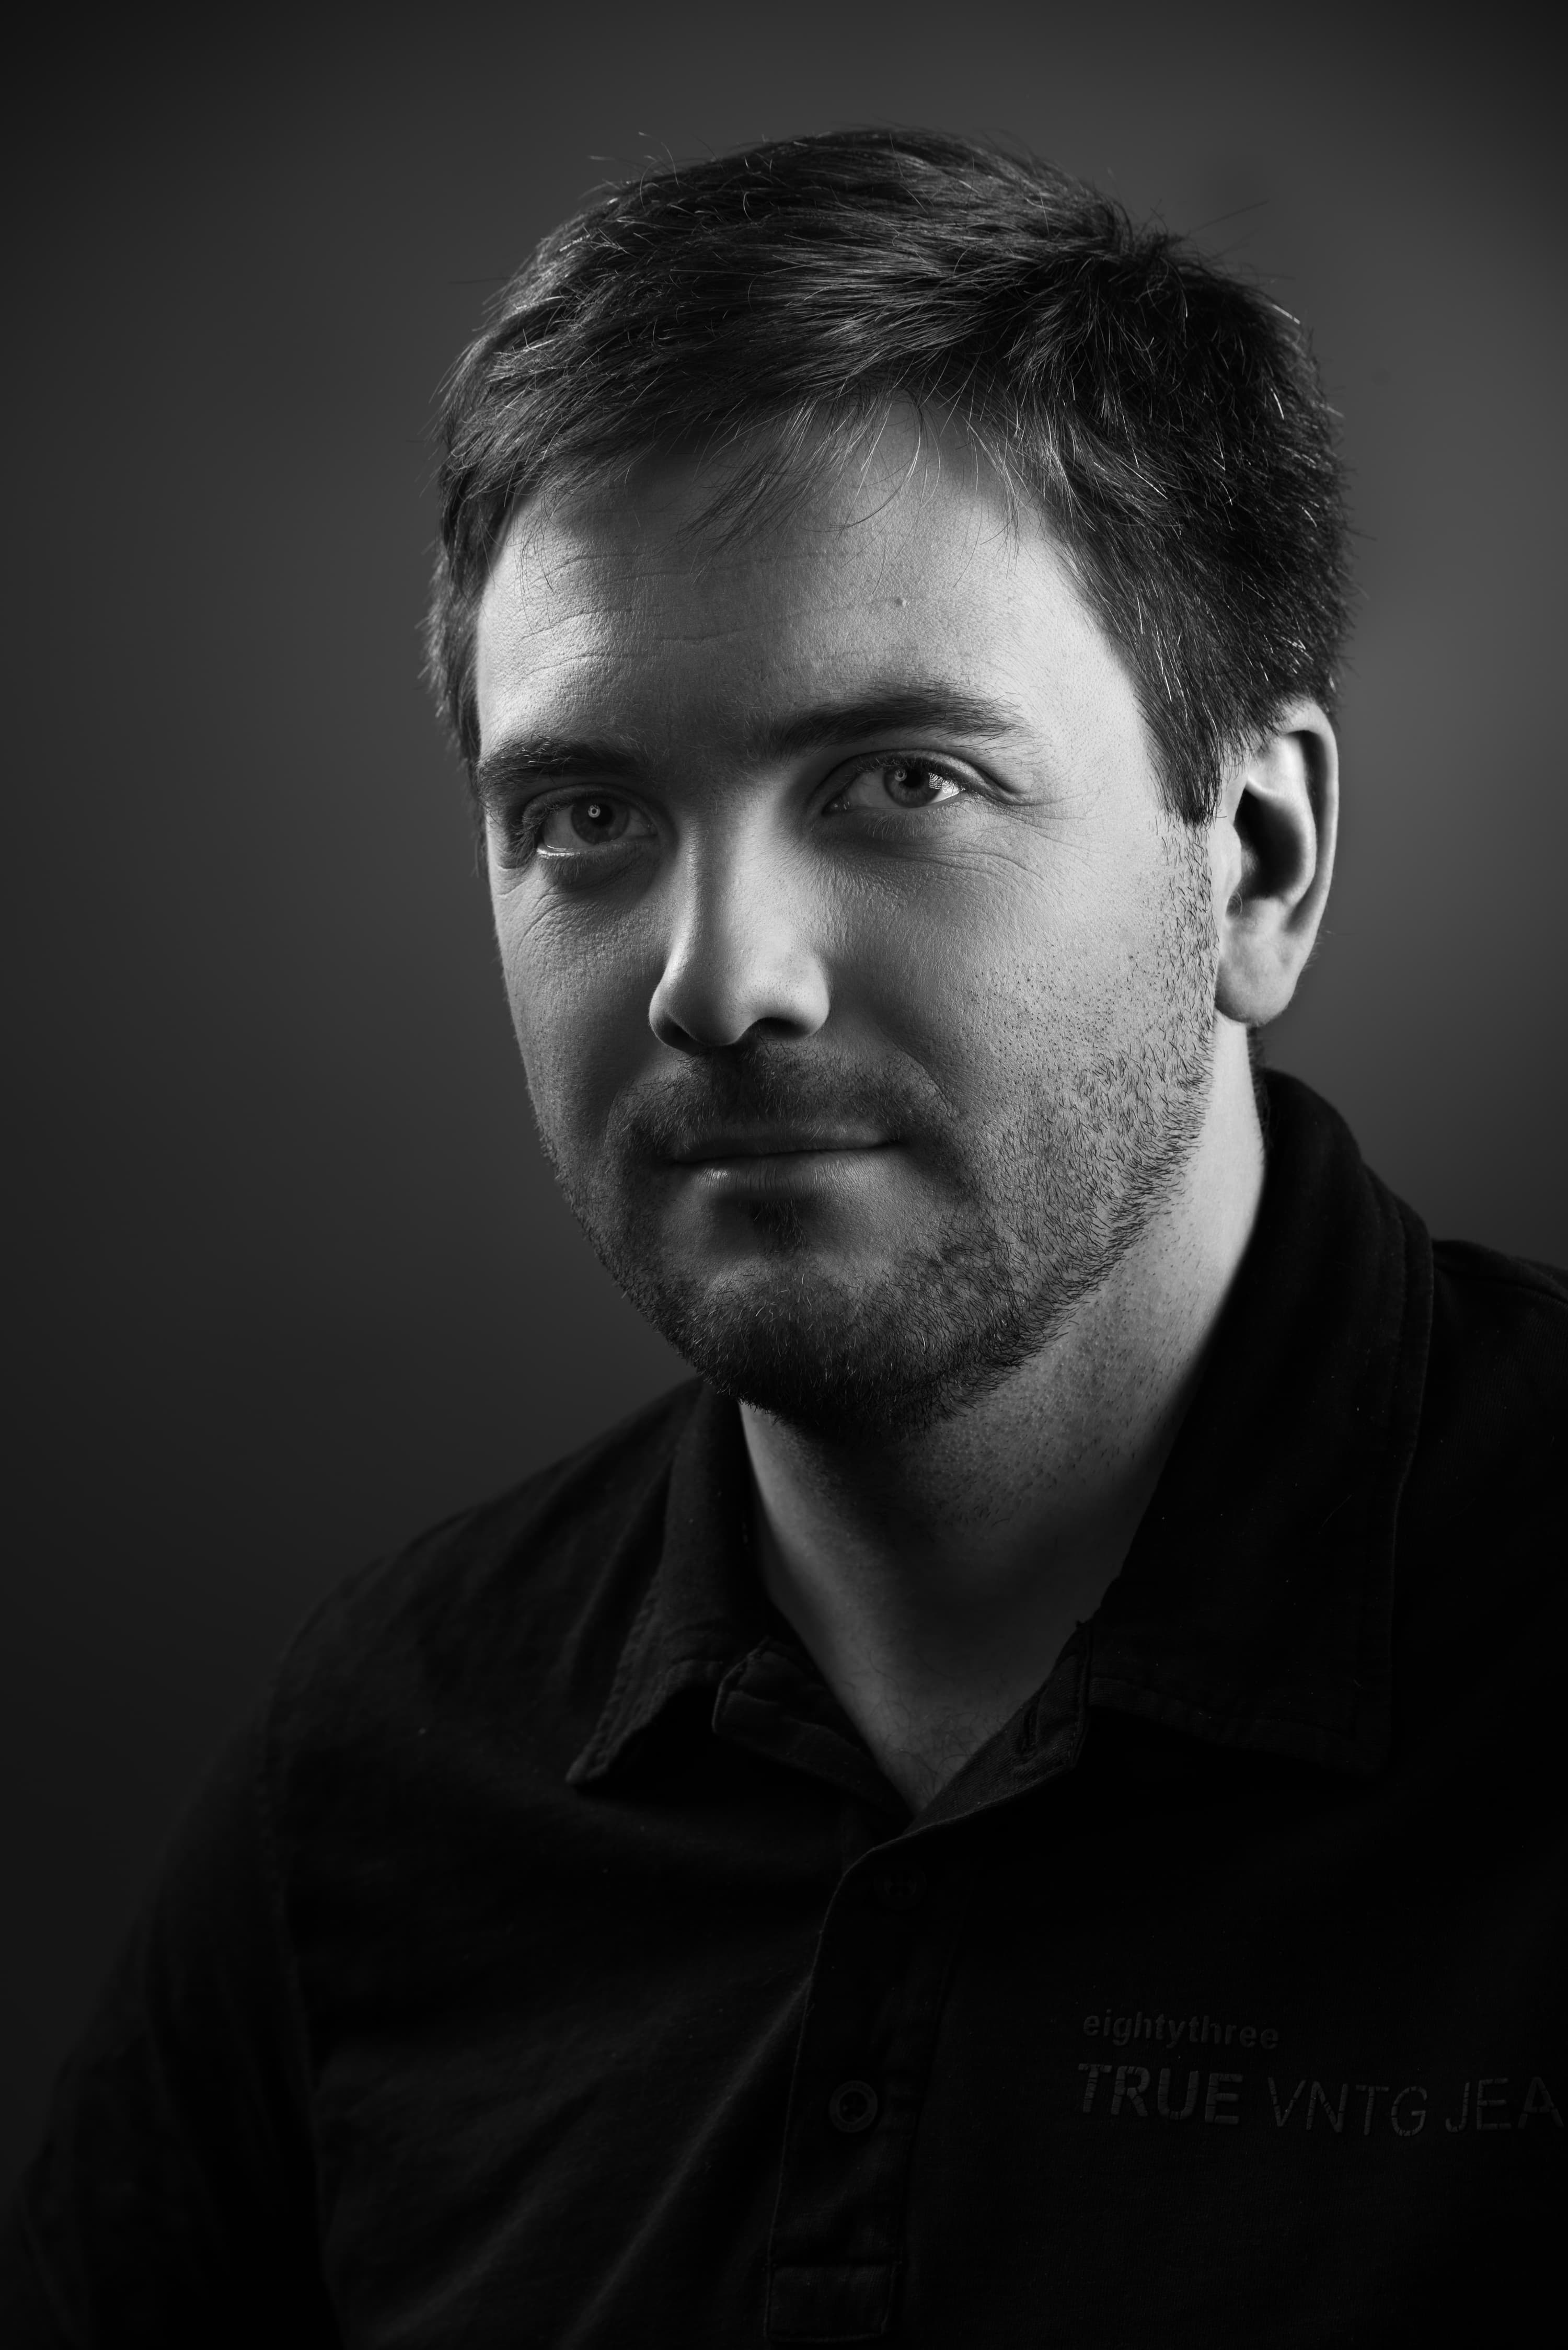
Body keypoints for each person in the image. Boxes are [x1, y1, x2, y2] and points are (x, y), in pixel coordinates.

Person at [4, 128, 1563, 2348]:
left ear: (1258, 855)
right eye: (586, 815)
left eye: (903, 782)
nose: (717, 980)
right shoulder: (376, 1764)